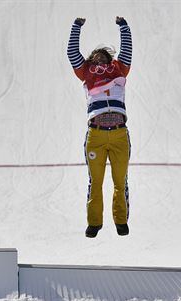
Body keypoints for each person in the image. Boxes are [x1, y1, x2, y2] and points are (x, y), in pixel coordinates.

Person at [67, 17, 133, 238]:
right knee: (95, 181)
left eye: (103, 55)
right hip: (95, 133)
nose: (99, 57)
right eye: (95, 56)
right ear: (89, 61)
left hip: (119, 133)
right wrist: (76, 27)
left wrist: (124, 27)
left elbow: (127, 51)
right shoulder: (86, 72)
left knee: (120, 180)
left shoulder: (118, 69)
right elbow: (71, 53)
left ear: (109, 58)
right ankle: (94, 223)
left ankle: (121, 221)